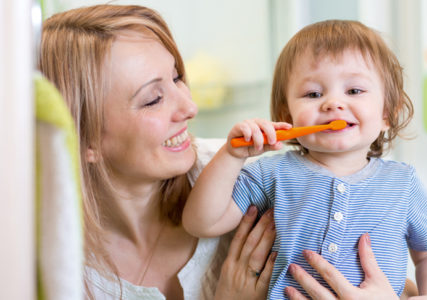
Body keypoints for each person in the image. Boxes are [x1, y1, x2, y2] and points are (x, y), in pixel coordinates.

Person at [182, 19, 427, 299]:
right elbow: (202, 223)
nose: (333, 103)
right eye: (313, 94)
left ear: (387, 114)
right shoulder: (271, 172)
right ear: (287, 117)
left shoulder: (402, 183)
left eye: (354, 91)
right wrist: (231, 155)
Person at [38, 5, 277, 299]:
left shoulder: (247, 179)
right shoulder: (46, 264)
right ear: (85, 140)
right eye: (153, 100)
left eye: (176, 78)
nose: (190, 108)